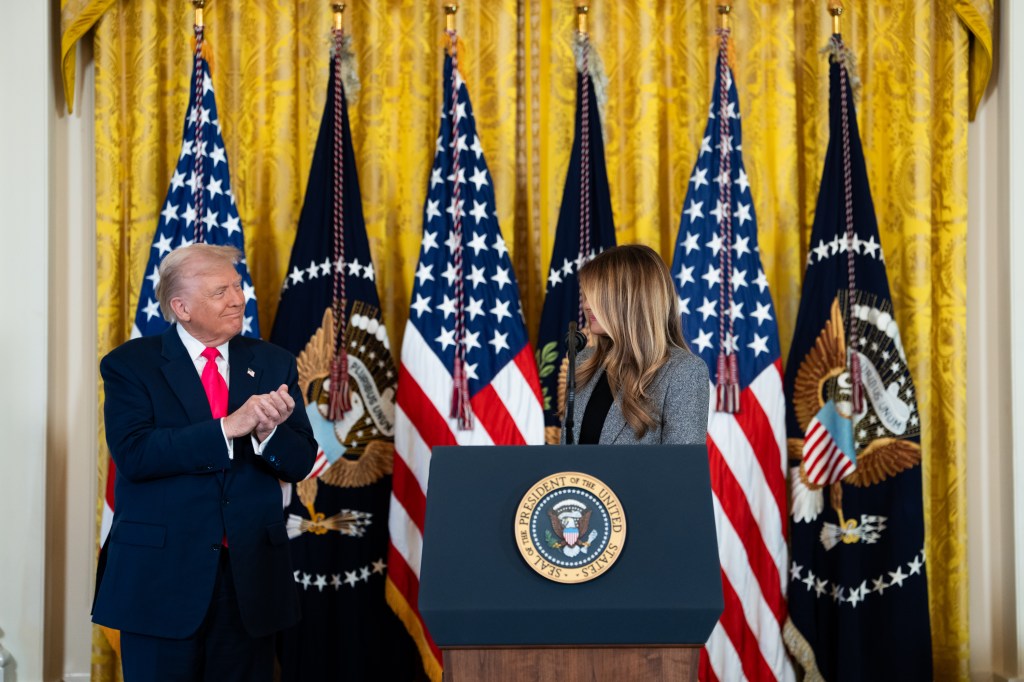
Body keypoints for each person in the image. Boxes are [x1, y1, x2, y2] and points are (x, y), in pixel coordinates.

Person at [93, 244, 317, 681]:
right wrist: (228, 427)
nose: (238, 299)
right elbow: (136, 454)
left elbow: (300, 461)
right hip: (161, 579)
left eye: (237, 286)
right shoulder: (130, 366)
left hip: (249, 580)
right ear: (182, 307)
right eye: (220, 292)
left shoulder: (273, 362)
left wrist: (267, 431)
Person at [562, 244, 709, 445]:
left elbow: (681, 470)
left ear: (631, 300)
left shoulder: (684, 372)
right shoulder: (583, 362)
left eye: (597, 295)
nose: (586, 305)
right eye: (586, 296)